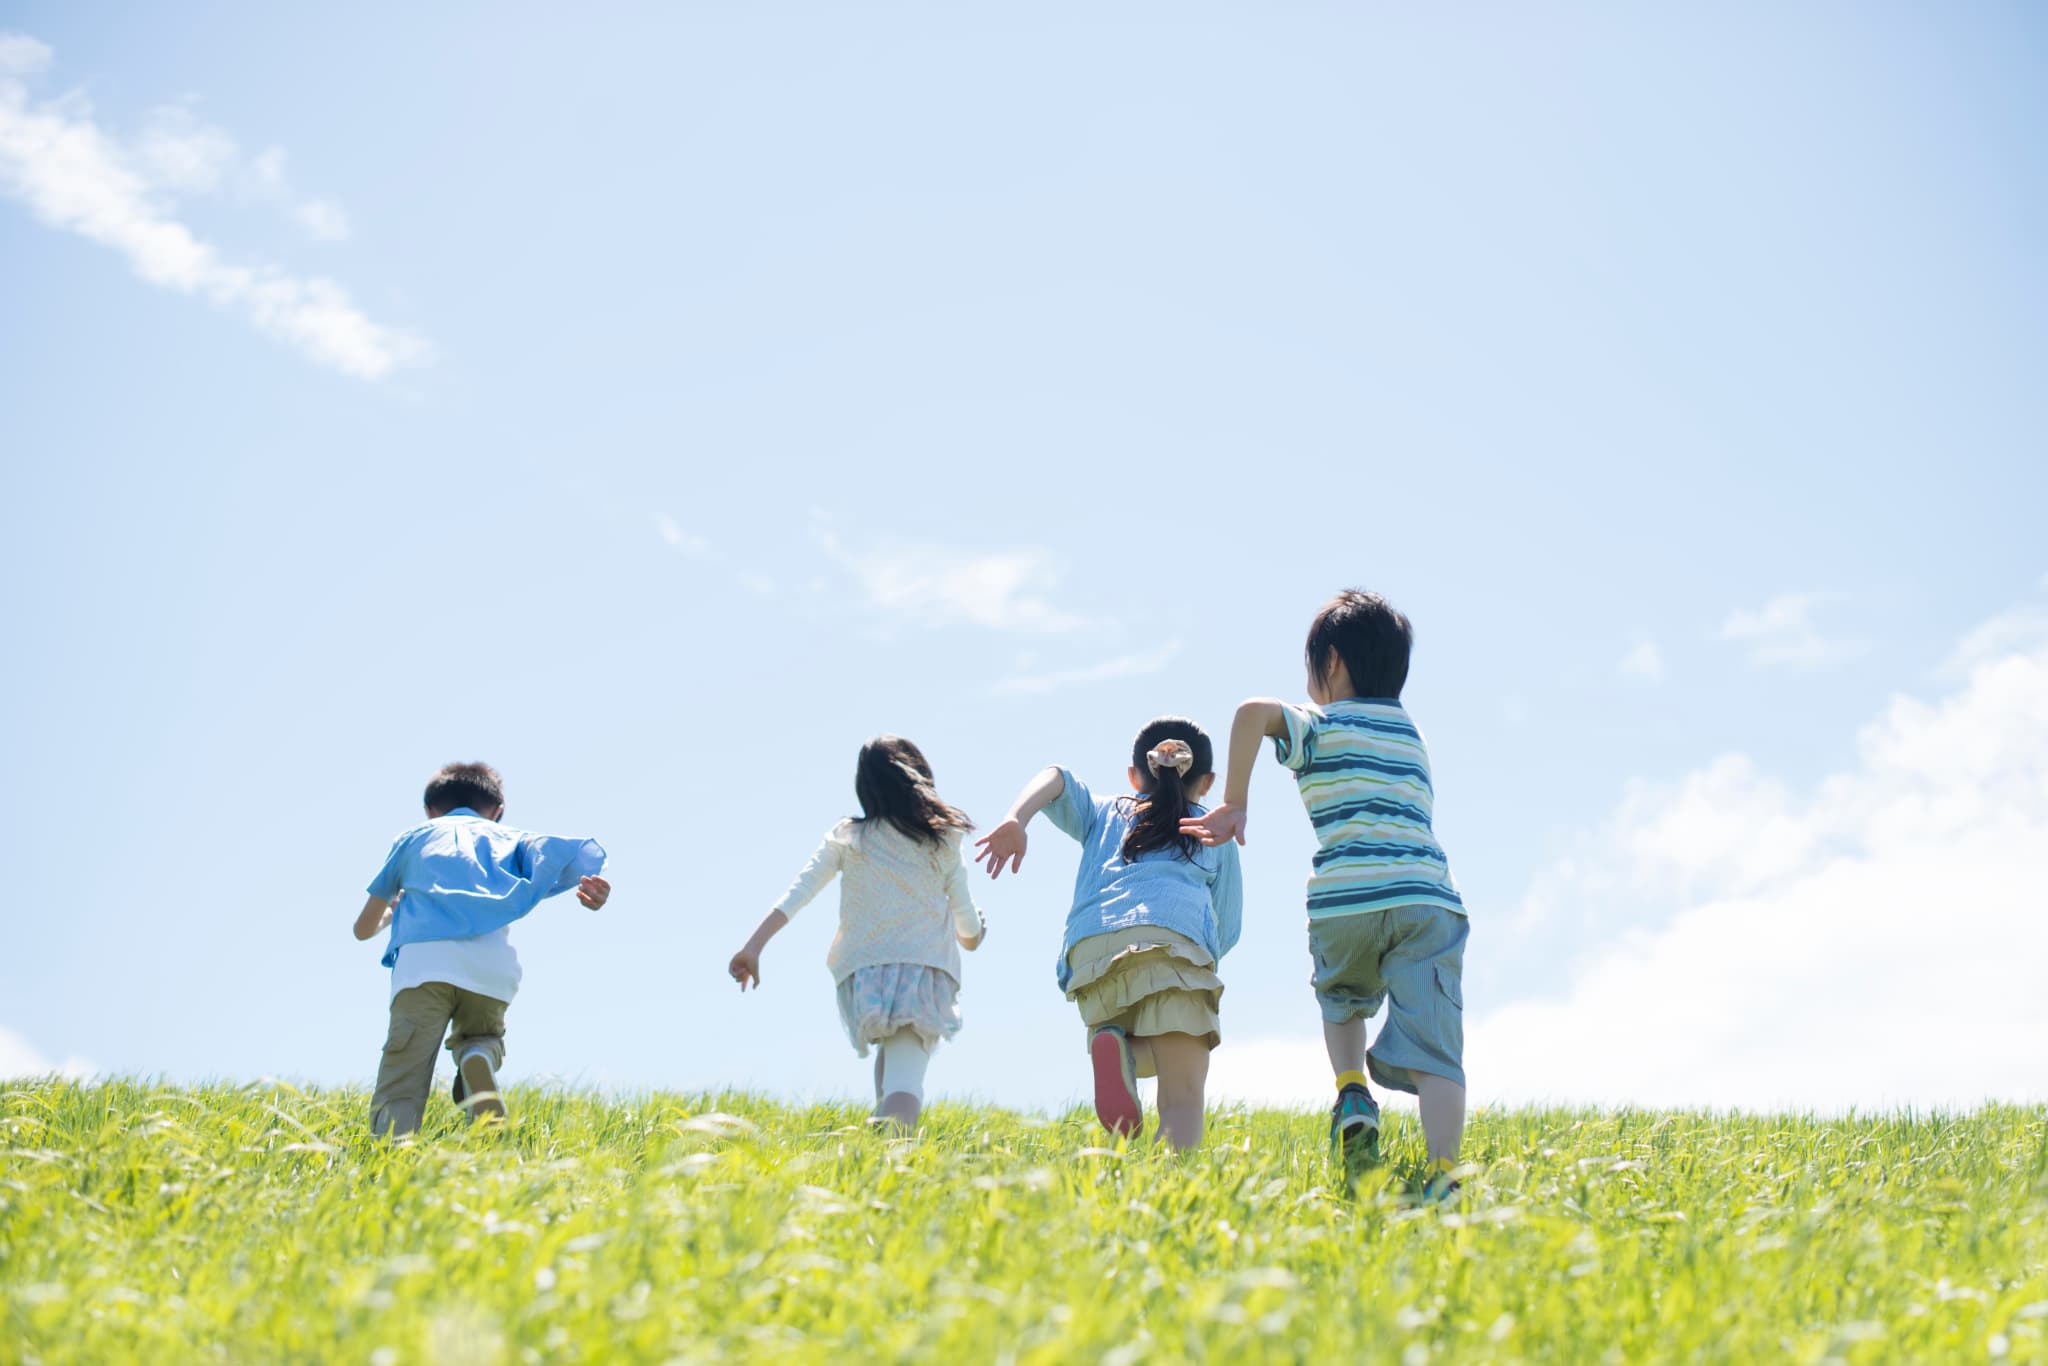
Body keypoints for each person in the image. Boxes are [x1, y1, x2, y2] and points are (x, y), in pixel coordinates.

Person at [1181, 589, 1468, 1198]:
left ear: (1331, 663)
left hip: (1345, 901)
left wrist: (1234, 801)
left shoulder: (1321, 724)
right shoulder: (1410, 734)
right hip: (1425, 897)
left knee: (1341, 999)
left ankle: (1350, 1088)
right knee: (1438, 1052)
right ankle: (1445, 1179)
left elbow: (1252, 712)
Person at [976, 717, 1241, 1151]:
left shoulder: (1106, 811)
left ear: (1134, 775)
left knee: (1151, 1047)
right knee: (1183, 1094)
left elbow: (1056, 777)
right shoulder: (1212, 831)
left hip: (1092, 956)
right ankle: (1170, 1196)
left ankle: (1117, 1049)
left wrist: (1015, 818)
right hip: (1173, 947)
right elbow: (1226, 926)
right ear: (1208, 782)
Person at [729, 736, 985, 1133]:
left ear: (865, 788)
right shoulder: (941, 839)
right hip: (922, 974)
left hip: (867, 976)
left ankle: (879, 1149)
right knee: (905, 1080)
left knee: (891, 1070)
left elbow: (799, 892)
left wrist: (753, 946)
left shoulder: (850, 837)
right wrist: (974, 934)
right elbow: (966, 921)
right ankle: (892, 1153)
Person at [354, 761, 610, 1137]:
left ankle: (391, 1155)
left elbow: (363, 929)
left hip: (423, 967)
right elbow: (567, 856)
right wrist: (594, 893)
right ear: (498, 812)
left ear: (429, 811)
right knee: (483, 1039)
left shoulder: (414, 839)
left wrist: (392, 915)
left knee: (403, 1071)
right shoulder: (511, 839)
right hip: (490, 971)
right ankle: (477, 1057)